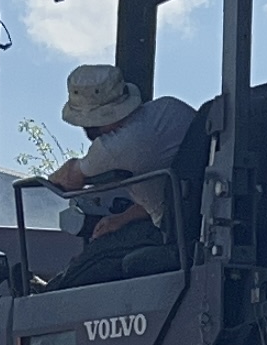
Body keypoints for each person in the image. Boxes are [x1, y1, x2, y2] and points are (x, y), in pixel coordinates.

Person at [43, 63, 196, 288]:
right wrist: (121, 219)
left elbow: (69, 179)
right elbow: (177, 194)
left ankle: (46, 295)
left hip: (172, 237)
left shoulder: (116, 147)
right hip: (193, 224)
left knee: (97, 257)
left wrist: (51, 178)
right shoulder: (168, 110)